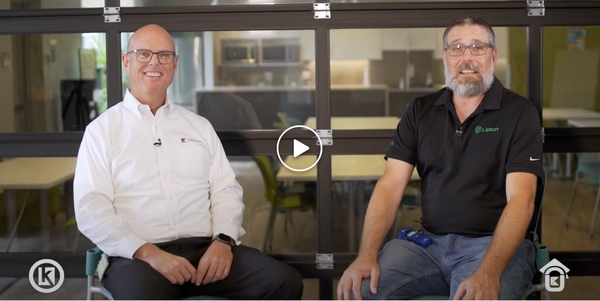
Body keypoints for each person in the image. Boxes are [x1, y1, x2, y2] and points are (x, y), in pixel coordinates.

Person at [73, 24, 303, 300]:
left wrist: (223, 241)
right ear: (126, 61)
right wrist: (149, 253)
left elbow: (225, 190)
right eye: (143, 54)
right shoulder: (102, 131)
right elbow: (91, 209)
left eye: (164, 55)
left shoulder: (198, 126)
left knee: (284, 282)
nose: (154, 63)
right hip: (138, 259)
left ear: (175, 63)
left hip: (207, 252)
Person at [337, 17, 543, 300]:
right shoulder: (420, 111)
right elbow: (390, 185)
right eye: (457, 48)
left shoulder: (520, 113)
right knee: (358, 290)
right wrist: (366, 255)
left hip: (491, 247)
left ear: (493, 56)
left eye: (477, 47)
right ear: (445, 57)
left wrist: (488, 272)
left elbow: (523, 198)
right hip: (426, 246)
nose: (467, 57)